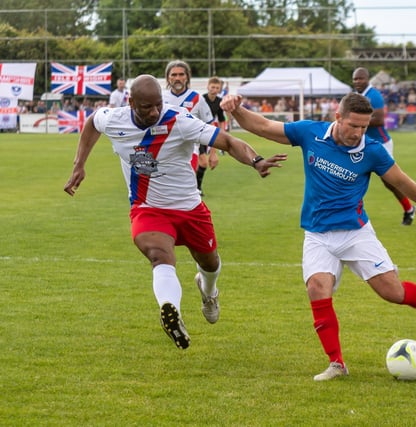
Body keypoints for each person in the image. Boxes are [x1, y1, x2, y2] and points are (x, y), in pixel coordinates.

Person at [221, 91, 416, 381]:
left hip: (356, 233)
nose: (358, 133)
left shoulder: (373, 151)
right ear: (338, 117)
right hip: (317, 234)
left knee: (393, 293)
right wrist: (236, 110)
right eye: (353, 126)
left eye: (363, 127)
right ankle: (337, 363)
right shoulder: (310, 133)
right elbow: (266, 127)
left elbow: (401, 180)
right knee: (317, 288)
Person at [63, 74, 287, 350]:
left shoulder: (179, 120)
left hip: (189, 208)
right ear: (131, 102)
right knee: (159, 256)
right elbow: (91, 124)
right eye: (147, 107)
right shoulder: (113, 118)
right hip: (148, 208)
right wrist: (79, 164)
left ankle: (209, 292)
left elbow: (228, 142)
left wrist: (256, 161)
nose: (155, 112)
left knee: (210, 263)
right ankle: (171, 310)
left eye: (158, 105)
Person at [352, 67, 416, 225]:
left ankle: (410, 209)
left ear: (367, 79)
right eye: (355, 79)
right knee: (350, 175)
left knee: (391, 181)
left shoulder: (374, 95)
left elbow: (380, 120)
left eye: (360, 78)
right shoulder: (356, 96)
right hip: (364, 144)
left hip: (381, 144)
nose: (357, 82)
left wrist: (355, 122)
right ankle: (350, 213)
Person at [163, 60, 219, 196]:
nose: (177, 78)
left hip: (188, 152)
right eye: (174, 75)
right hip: (163, 152)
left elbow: (212, 125)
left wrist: (213, 153)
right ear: (168, 78)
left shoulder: (197, 98)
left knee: (184, 191)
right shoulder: (160, 98)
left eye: (181, 74)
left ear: (187, 77)